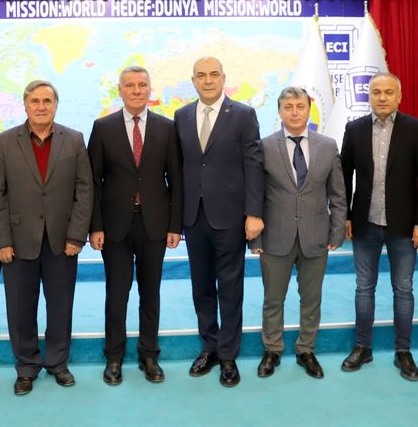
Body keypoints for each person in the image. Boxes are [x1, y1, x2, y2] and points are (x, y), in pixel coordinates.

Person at [0, 80, 94, 396]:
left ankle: (58, 363)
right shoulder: (4, 141)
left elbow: (84, 190)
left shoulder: (74, 139)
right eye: (35, 101)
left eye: (47, 100)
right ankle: (26, 367)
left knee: (61, 307)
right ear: (25, 105)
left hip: (63, 241)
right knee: (20, 309)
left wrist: (77, 235)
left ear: (56, 105)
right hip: (17, 242)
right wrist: (1, 240)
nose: (41, 106)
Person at [88, 66, 182, 385]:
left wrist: (175, 226)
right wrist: (95, 226)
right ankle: (114, 356)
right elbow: (93, 181)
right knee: (117, 293)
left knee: (150, 292)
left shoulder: (167, 128)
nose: (137, 90)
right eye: (130, 85)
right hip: (115, 225)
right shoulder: (103, 128)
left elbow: (176, 180)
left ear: (150, 89)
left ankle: (149, 355)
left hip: (154, 224)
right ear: (120, 90)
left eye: (142, 84)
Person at [174, 57, 264, 387]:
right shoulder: (182, 116)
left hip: (230, 216)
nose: (208, 80)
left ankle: (228, 355)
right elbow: (180, 168)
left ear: (224, 78)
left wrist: (254, 213)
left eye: (214, 74)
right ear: (193, 80)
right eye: (201, 75)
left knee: (229, 288)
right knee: (201, 287)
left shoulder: (243, 114)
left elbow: (254, 165)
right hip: (194, 217)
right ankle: (209, 346)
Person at [339, 72, 418, 381]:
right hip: (365, 224)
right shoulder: (354, 129)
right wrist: (345, 216)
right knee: (364, 288)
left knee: (403, 289)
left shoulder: (416, 129)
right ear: (369, 96)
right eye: (376, 92)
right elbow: (344, 176)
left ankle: (403, 351)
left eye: (388, 92)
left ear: (399, 97)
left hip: (404, 227)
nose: (382, 97)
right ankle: (363, 347)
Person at [249, 87, 346, 379]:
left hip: (316, 236)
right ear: (279, 111)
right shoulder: (264, 146)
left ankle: (306, 350)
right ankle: (272, 350)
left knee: (311, 299)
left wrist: (337, 232)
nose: (294, 112)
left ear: (308, 109)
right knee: (273, 299)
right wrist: (255, 239)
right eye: (288, 106)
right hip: (275, 237)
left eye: (300, 106)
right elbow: (255, 195)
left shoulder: (328, 146)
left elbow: (337, 194)